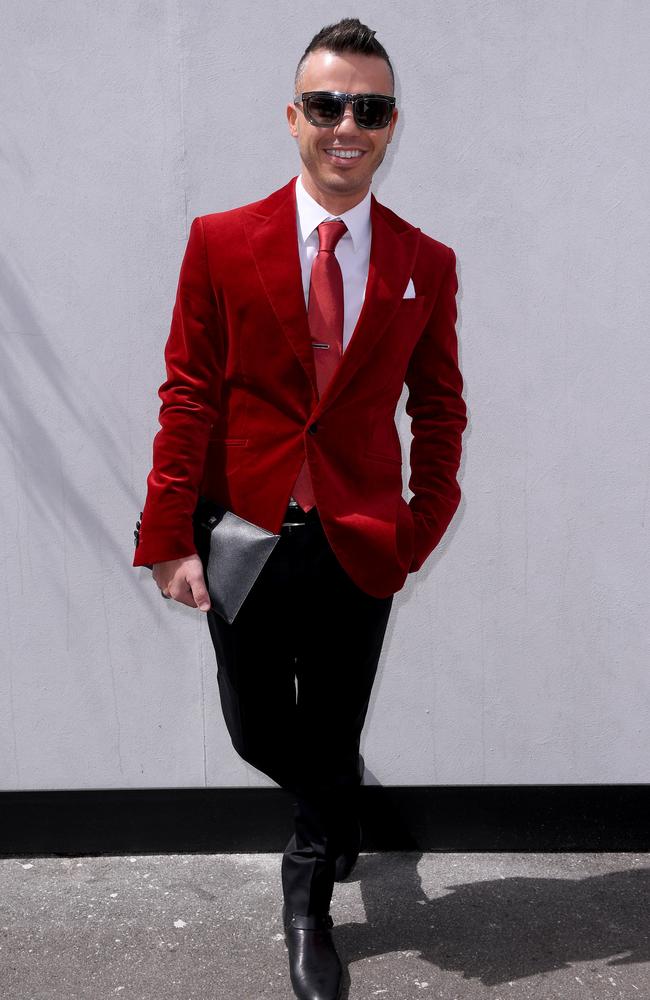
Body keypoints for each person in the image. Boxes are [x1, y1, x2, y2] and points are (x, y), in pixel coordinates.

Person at [133, 17, 467, 1000]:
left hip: (360, 543)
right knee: (254, 730)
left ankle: (306, 904)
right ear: (293, 118)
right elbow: (187, 392)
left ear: (390, 123)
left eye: (366, 108)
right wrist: (166, 538)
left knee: (328, 725)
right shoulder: (220, 243)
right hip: (240, 535)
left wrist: (418, 528)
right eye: (326, 105)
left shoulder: (423, 261)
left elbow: (439, 408)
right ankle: (335, 797)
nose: (345, 124)